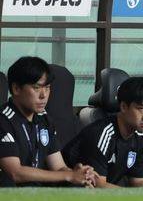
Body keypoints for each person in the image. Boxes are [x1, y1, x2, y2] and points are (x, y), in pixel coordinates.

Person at [0, 56, 96, 187]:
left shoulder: (44, 119)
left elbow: (58, 167)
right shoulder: (3, 120)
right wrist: (69, 176)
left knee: (80, 186)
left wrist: (78, 174)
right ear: (16, 88)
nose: (44, 95)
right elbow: (15, 173)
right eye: (36, 88)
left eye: (47, 87)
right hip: (8, 193)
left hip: (37, 192)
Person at [62, 77, 143, 188]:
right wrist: (134, 195)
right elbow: (97, 184)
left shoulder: (140, 138)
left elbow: (138, 181)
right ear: (123, 107)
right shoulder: (102, 134)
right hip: (66, 191)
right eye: (141, 108)